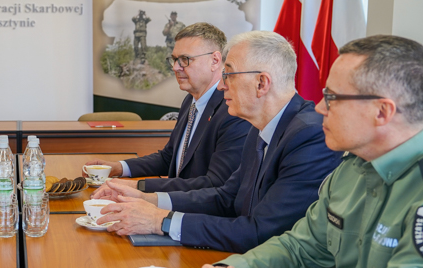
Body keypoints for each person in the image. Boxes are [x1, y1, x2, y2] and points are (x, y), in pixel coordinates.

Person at [193, 35, 423, 268]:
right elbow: (301, 247)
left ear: (382, 111)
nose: (319, 107)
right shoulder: (355, 165)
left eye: (332, 98)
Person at [94, 31, 342, 256]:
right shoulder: (260, 127)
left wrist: (161, 221)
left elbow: (261, 232)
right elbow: (225, 197)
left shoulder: (309, 136)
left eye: (228, 75)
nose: (221, 85)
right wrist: (147, 200)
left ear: (261, 83)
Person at [87, 23, 250, 193]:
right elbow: (169, 157)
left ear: (215, 61)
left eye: (185, 59)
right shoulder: (190, 100)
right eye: (174, 59)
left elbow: (214, 185)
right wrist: (119, 168)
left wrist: (138, 186)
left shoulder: (232, 111)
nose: (175, 67)